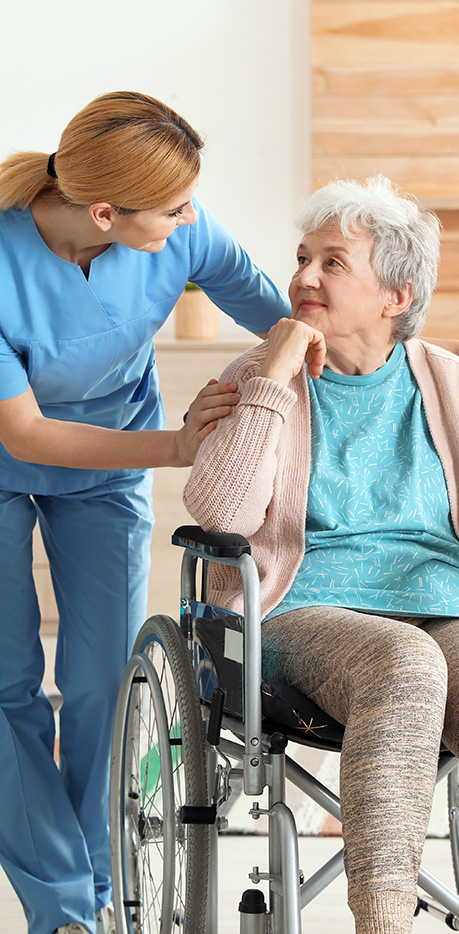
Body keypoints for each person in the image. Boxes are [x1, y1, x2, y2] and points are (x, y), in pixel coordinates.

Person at [0, 90, 293, 934]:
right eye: (173, 206)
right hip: (11, 453)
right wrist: (174, 448)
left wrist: (403, 356)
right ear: (103, 212)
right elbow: (21, 431)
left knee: (105, 681)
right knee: (8, 685)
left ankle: (97, 875)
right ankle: (63, 907)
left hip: (108, 465)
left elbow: (278, 314)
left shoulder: (183, 233)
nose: (190, 216)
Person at [184, 174, 459, 934]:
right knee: (406, 661)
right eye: (302, 257)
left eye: (333, 262)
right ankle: (383, 922)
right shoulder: (258, 377)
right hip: (297, 608)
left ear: (395, 295)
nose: (304, 277)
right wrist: (273, 376)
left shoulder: (455, 380)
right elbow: (221, 514)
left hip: (448, 603)